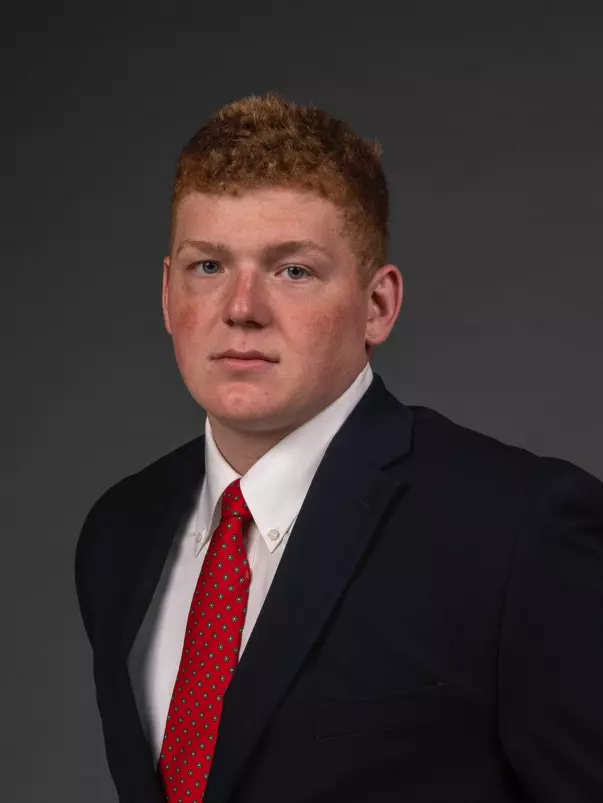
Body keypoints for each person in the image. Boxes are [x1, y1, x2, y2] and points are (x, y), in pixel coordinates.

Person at [75, 92, 603, 803]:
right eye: (208, 267)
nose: (241, 308)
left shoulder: (517, 530)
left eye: (293, 270)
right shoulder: (120, 530)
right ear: (168, 294)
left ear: (377, 306)